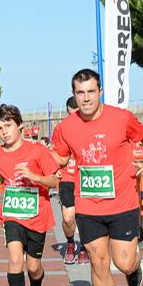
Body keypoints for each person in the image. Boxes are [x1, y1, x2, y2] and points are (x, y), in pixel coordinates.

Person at [52, 69, 143, 286]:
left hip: (122, 202)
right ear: (74, 95)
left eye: (90, 92)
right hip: (88, 206)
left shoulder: (121, 118)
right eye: (80, 92)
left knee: (122, 262)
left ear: (100, 92)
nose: (86, 98)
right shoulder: (66, 127)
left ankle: (134, 267)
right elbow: (60, 158)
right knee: (98, 263)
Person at [0, 104, 59, 286]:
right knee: (15, 258)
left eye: (8, 126)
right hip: (12, 214)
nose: (4, 131)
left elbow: (54, 181)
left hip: (37, 215)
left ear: (19, 125)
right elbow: (5, 175)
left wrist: (33, 176)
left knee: (33, 266)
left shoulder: (37, 151)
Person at [52, 96, 88, 265]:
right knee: (68, 218)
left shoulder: (90, 126)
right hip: (67, 178)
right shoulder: (61, 129)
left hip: (87, 177)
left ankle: (85, 249)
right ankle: (71, 244)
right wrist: (54, 170)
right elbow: (55, 154)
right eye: (71, 114)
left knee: (86, 217)